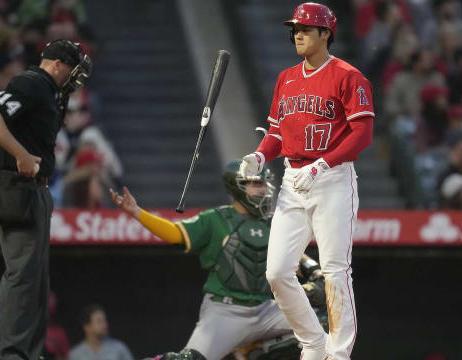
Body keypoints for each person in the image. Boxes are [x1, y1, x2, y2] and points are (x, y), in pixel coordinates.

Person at [238, 3, 374, 359]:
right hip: (293, 178)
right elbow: (277, 132)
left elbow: (362, 134)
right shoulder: (286, 78)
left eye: (306, 29)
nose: (297, 34)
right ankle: (314, 341)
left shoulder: (348, 75)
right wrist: (259, 155)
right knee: (278, 273)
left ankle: (339, 354)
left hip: (332, 178)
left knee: (334, 270)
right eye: (295, 29)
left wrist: (324, 164)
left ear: (326, 34)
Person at [110, 160, 327, 360]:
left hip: (265, 309)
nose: (262, 190)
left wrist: (315, 272)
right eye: (254, 184)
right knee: (190, 359)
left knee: (322, 327)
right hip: (226, 312)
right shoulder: (216, 220)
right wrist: (137, 212)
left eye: (263, 184)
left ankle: (254, 351)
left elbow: (295, 256)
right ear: (236, 187)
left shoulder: (273, 223)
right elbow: (176, 233)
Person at [0, 39, 91, 360]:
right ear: (56, 65)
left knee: (37, 280)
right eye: (72, 70)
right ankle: (11, 354)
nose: (75, 78)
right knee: (23, 276)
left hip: (35, 190)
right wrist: (20, 153)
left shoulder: (46, 90)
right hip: (19, 188)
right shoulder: (33, 82)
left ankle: (28, 353)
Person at [68, 304, 134, 360]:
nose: (105, 325)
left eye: (104, 321)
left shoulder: (119, 348)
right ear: (87, 327)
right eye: (99, 321)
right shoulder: (76, 354)